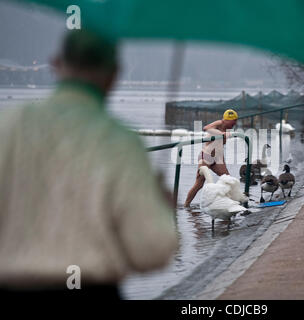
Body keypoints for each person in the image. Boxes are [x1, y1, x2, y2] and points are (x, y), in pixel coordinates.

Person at [0, 30, 177, 299]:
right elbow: (151, 252)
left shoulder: (7, 125)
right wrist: (164, 211)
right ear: (114, 74)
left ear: (56, 64)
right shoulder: (121, 141)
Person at [184, 109, 238, 207]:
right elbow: (206, 128)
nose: (235, 123)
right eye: (233, 121)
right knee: (199, 184)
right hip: (206, 156)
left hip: (218, 158)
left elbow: (220, 146)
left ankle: (230, 205)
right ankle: (186, 205)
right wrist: (221, 134)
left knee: (228, 180)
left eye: (236, 120)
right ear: (226, 120)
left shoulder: (229, 129)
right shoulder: (220, 123)